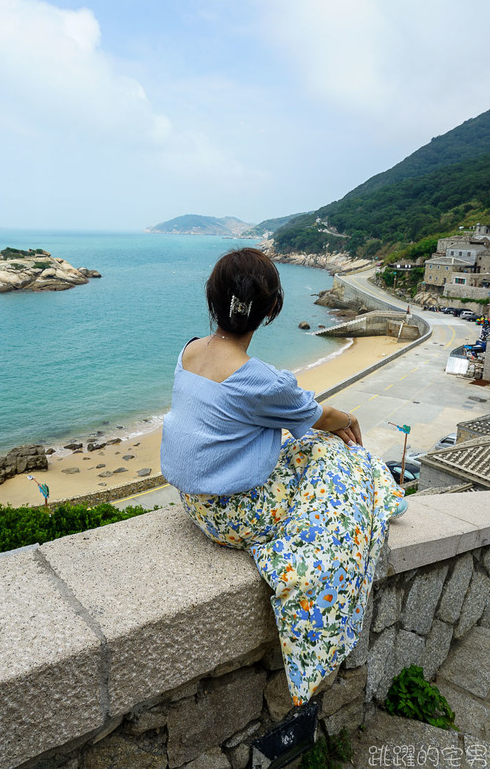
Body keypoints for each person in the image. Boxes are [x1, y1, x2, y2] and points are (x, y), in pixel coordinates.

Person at [161, 248, 405, 706]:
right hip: (233, 515)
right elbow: (323, 415)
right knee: (340, 457)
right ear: (270, 310)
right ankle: (383, 502)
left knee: (302, 447)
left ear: (213, 301)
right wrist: (346, 418)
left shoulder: (189, 350)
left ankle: (381, 495)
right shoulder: (261, 381)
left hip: (193, 502)